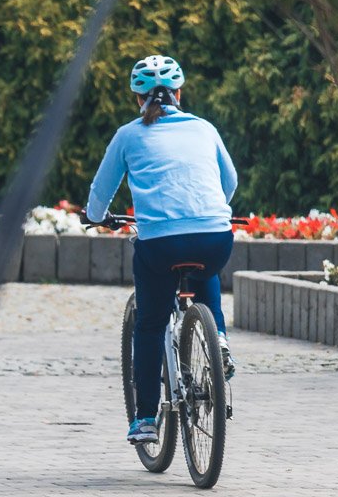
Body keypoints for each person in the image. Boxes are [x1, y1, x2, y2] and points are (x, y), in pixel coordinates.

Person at [85, 55, 238, 445]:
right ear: (179, 92)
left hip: (160, 243)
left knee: (150, 324)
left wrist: (97, 217)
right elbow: (230, 180)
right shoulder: (204, 128)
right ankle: (217, 337)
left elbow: (100, 194)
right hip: (215, 236)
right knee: (205, 268)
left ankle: (146, 419)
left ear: (137, 97)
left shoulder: (128, 135)